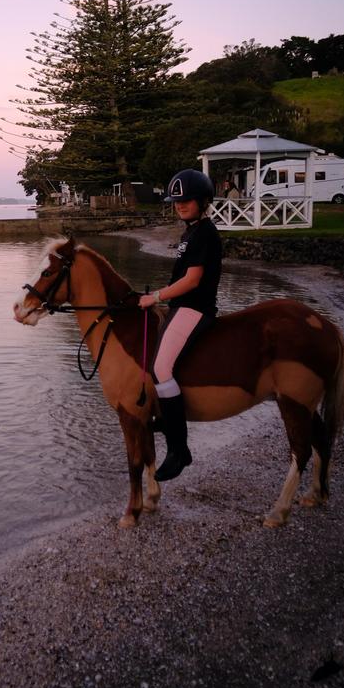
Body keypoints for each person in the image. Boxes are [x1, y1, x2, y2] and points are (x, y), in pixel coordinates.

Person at [138, 168, 222, 482]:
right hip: (182, 305)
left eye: (187, 200)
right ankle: (169, 414)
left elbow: (193, 280)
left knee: (161, 368)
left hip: (195, 307)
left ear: (203, 201)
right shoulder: (191, 231)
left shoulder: (204, 233)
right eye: (177, 201)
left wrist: (156, 297)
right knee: (158, 357)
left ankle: (179, 449)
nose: (181, 205)